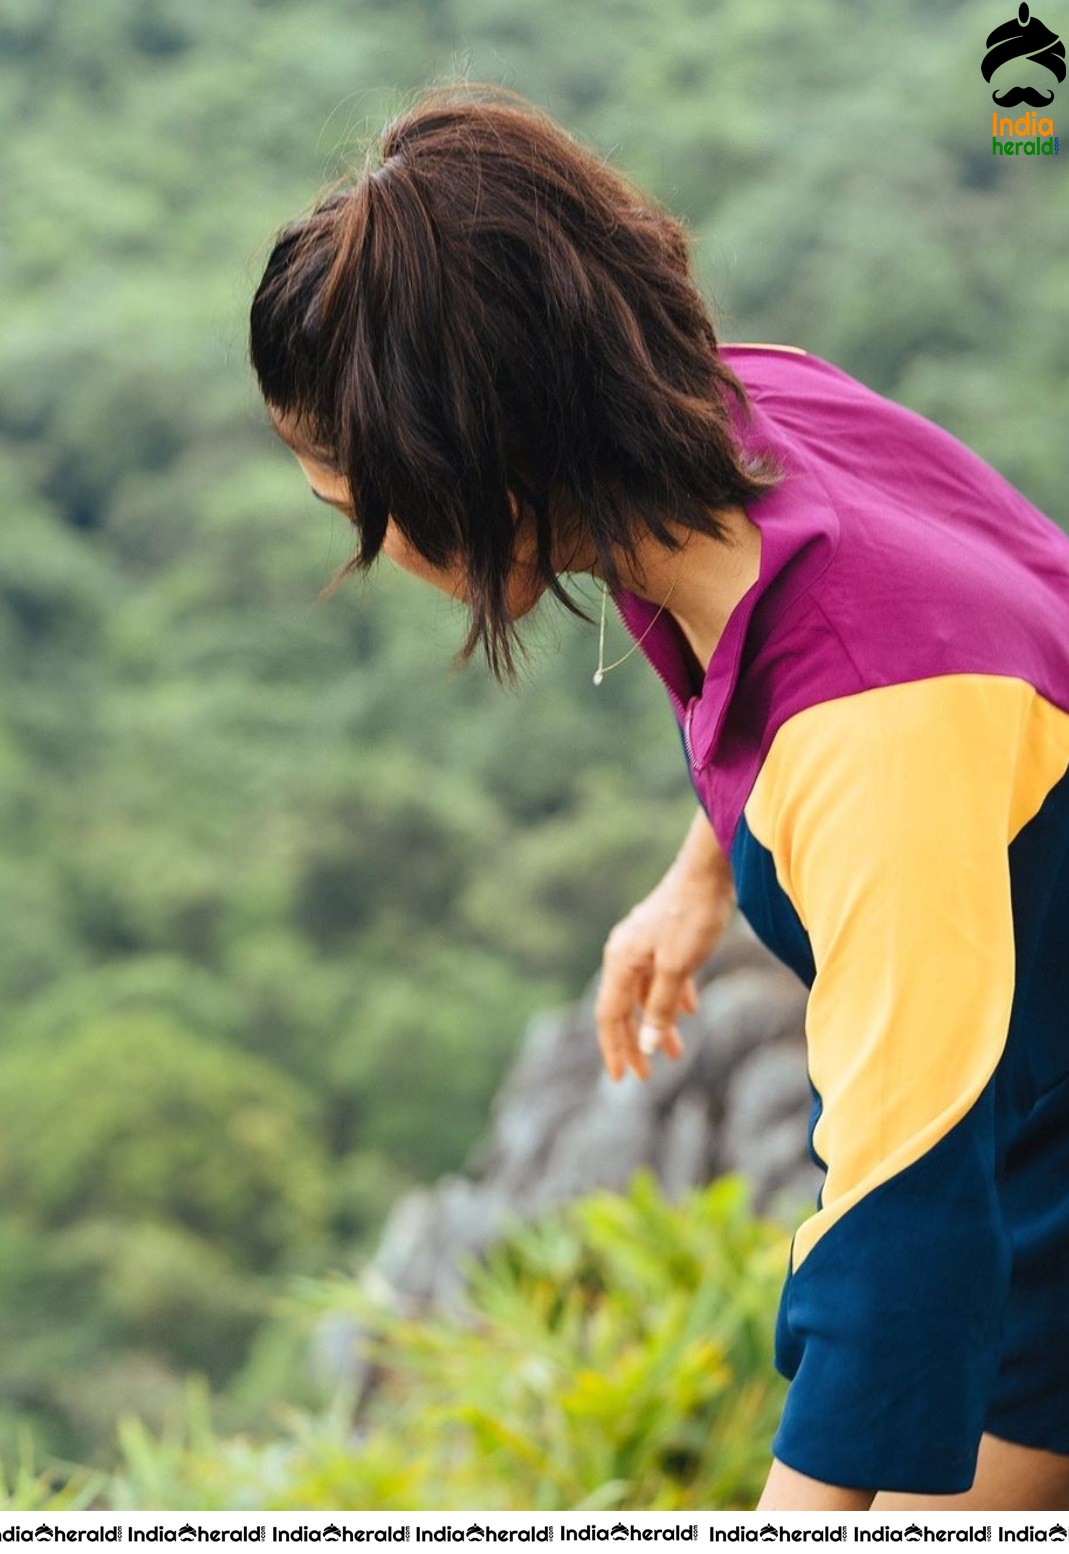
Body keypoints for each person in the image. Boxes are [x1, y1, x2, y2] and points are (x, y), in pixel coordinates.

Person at [248, 80, 1069, 1512]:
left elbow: (900, 1233)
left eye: (363, 512)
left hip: (1015, 1130)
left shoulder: (877, 741)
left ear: (473, 483)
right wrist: (696, 877)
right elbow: (807, 659)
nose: (379, 555)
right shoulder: (742, 415)